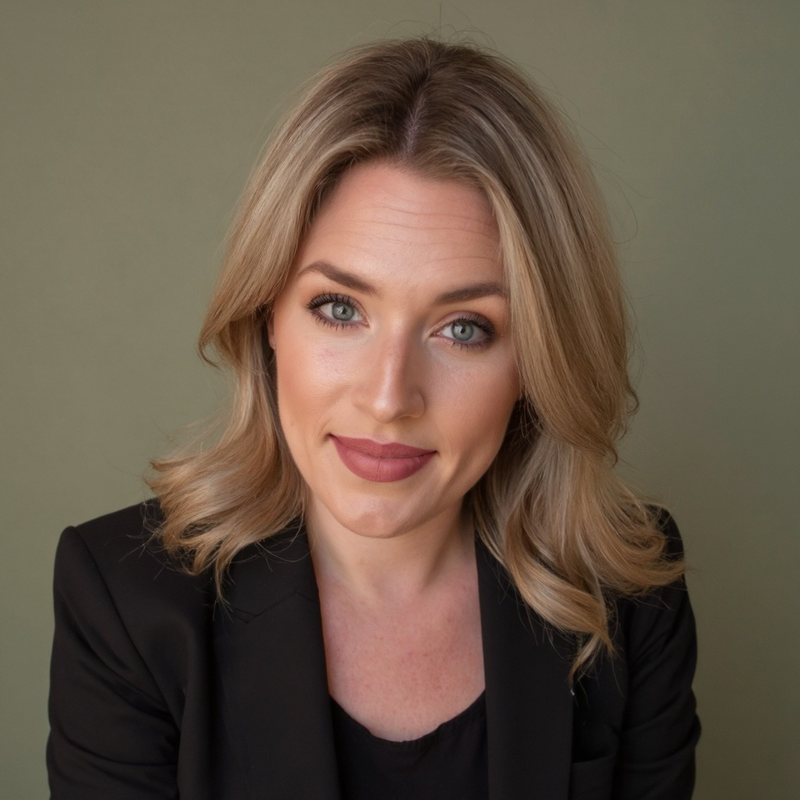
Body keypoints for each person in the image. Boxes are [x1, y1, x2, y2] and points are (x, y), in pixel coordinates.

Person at [47, 36, 700, 799]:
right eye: (339, 309)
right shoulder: (126, 601)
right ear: (267, 317)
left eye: (464, 328)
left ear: (537, 361)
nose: (389, 397)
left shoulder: (629, 595)